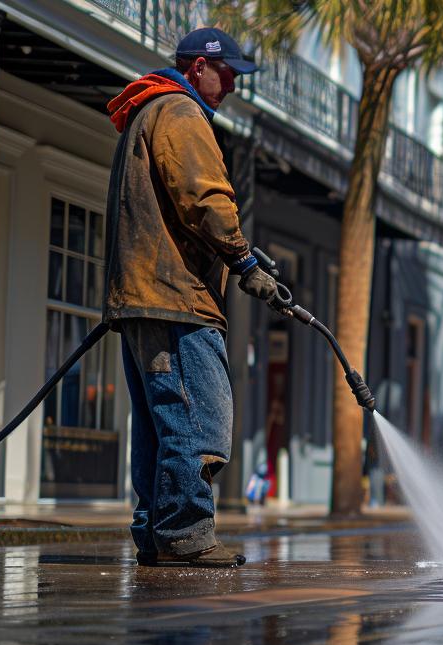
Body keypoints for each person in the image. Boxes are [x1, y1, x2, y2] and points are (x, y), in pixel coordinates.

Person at [105, 28, 275, 567]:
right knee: (197, 414)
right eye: (226, 74)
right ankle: (185, 532)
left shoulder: (149, 111)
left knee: (160, 422)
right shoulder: (180, 112)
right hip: (176, 297)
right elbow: (203, 196)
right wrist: (242, 258)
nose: (231, 86)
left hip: (144, 295)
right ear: (199, 66)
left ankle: (156, 530)